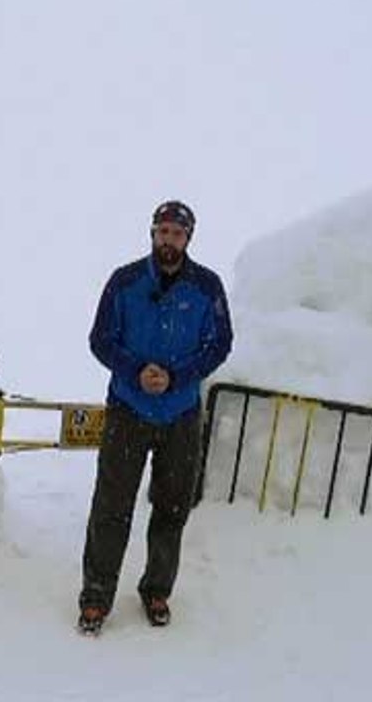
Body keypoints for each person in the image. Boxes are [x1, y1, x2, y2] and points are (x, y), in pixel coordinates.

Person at [78, 199, 233, 634]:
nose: (169, 240)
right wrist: (134, 370)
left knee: (172, 506)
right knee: (112, 505)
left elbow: (219, 343)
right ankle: (96, 596)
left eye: (177, 233)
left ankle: (157, 589)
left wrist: (179, 376)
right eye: (163, 231)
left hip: (181, 414)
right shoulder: (124, 282)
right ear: (152, 233)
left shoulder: (207, 287)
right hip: (129, 408)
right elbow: (100, 339)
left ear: (189, 238)